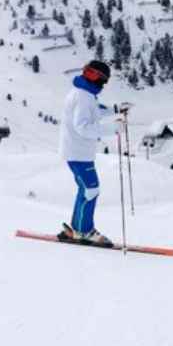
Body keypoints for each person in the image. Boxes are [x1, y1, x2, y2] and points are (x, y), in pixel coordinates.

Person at [58, 60, 120, 246]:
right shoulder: (83, 96)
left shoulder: (83, 93)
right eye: (103, 80)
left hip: (78, 151)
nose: (103, 85)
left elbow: (95, 110)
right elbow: (83, 127)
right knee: (91, 189)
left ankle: (77, 228)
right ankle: (84, 231)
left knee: (86, 189)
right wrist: (113, 129)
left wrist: (116, 110)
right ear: (95, 77)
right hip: (78, 152)